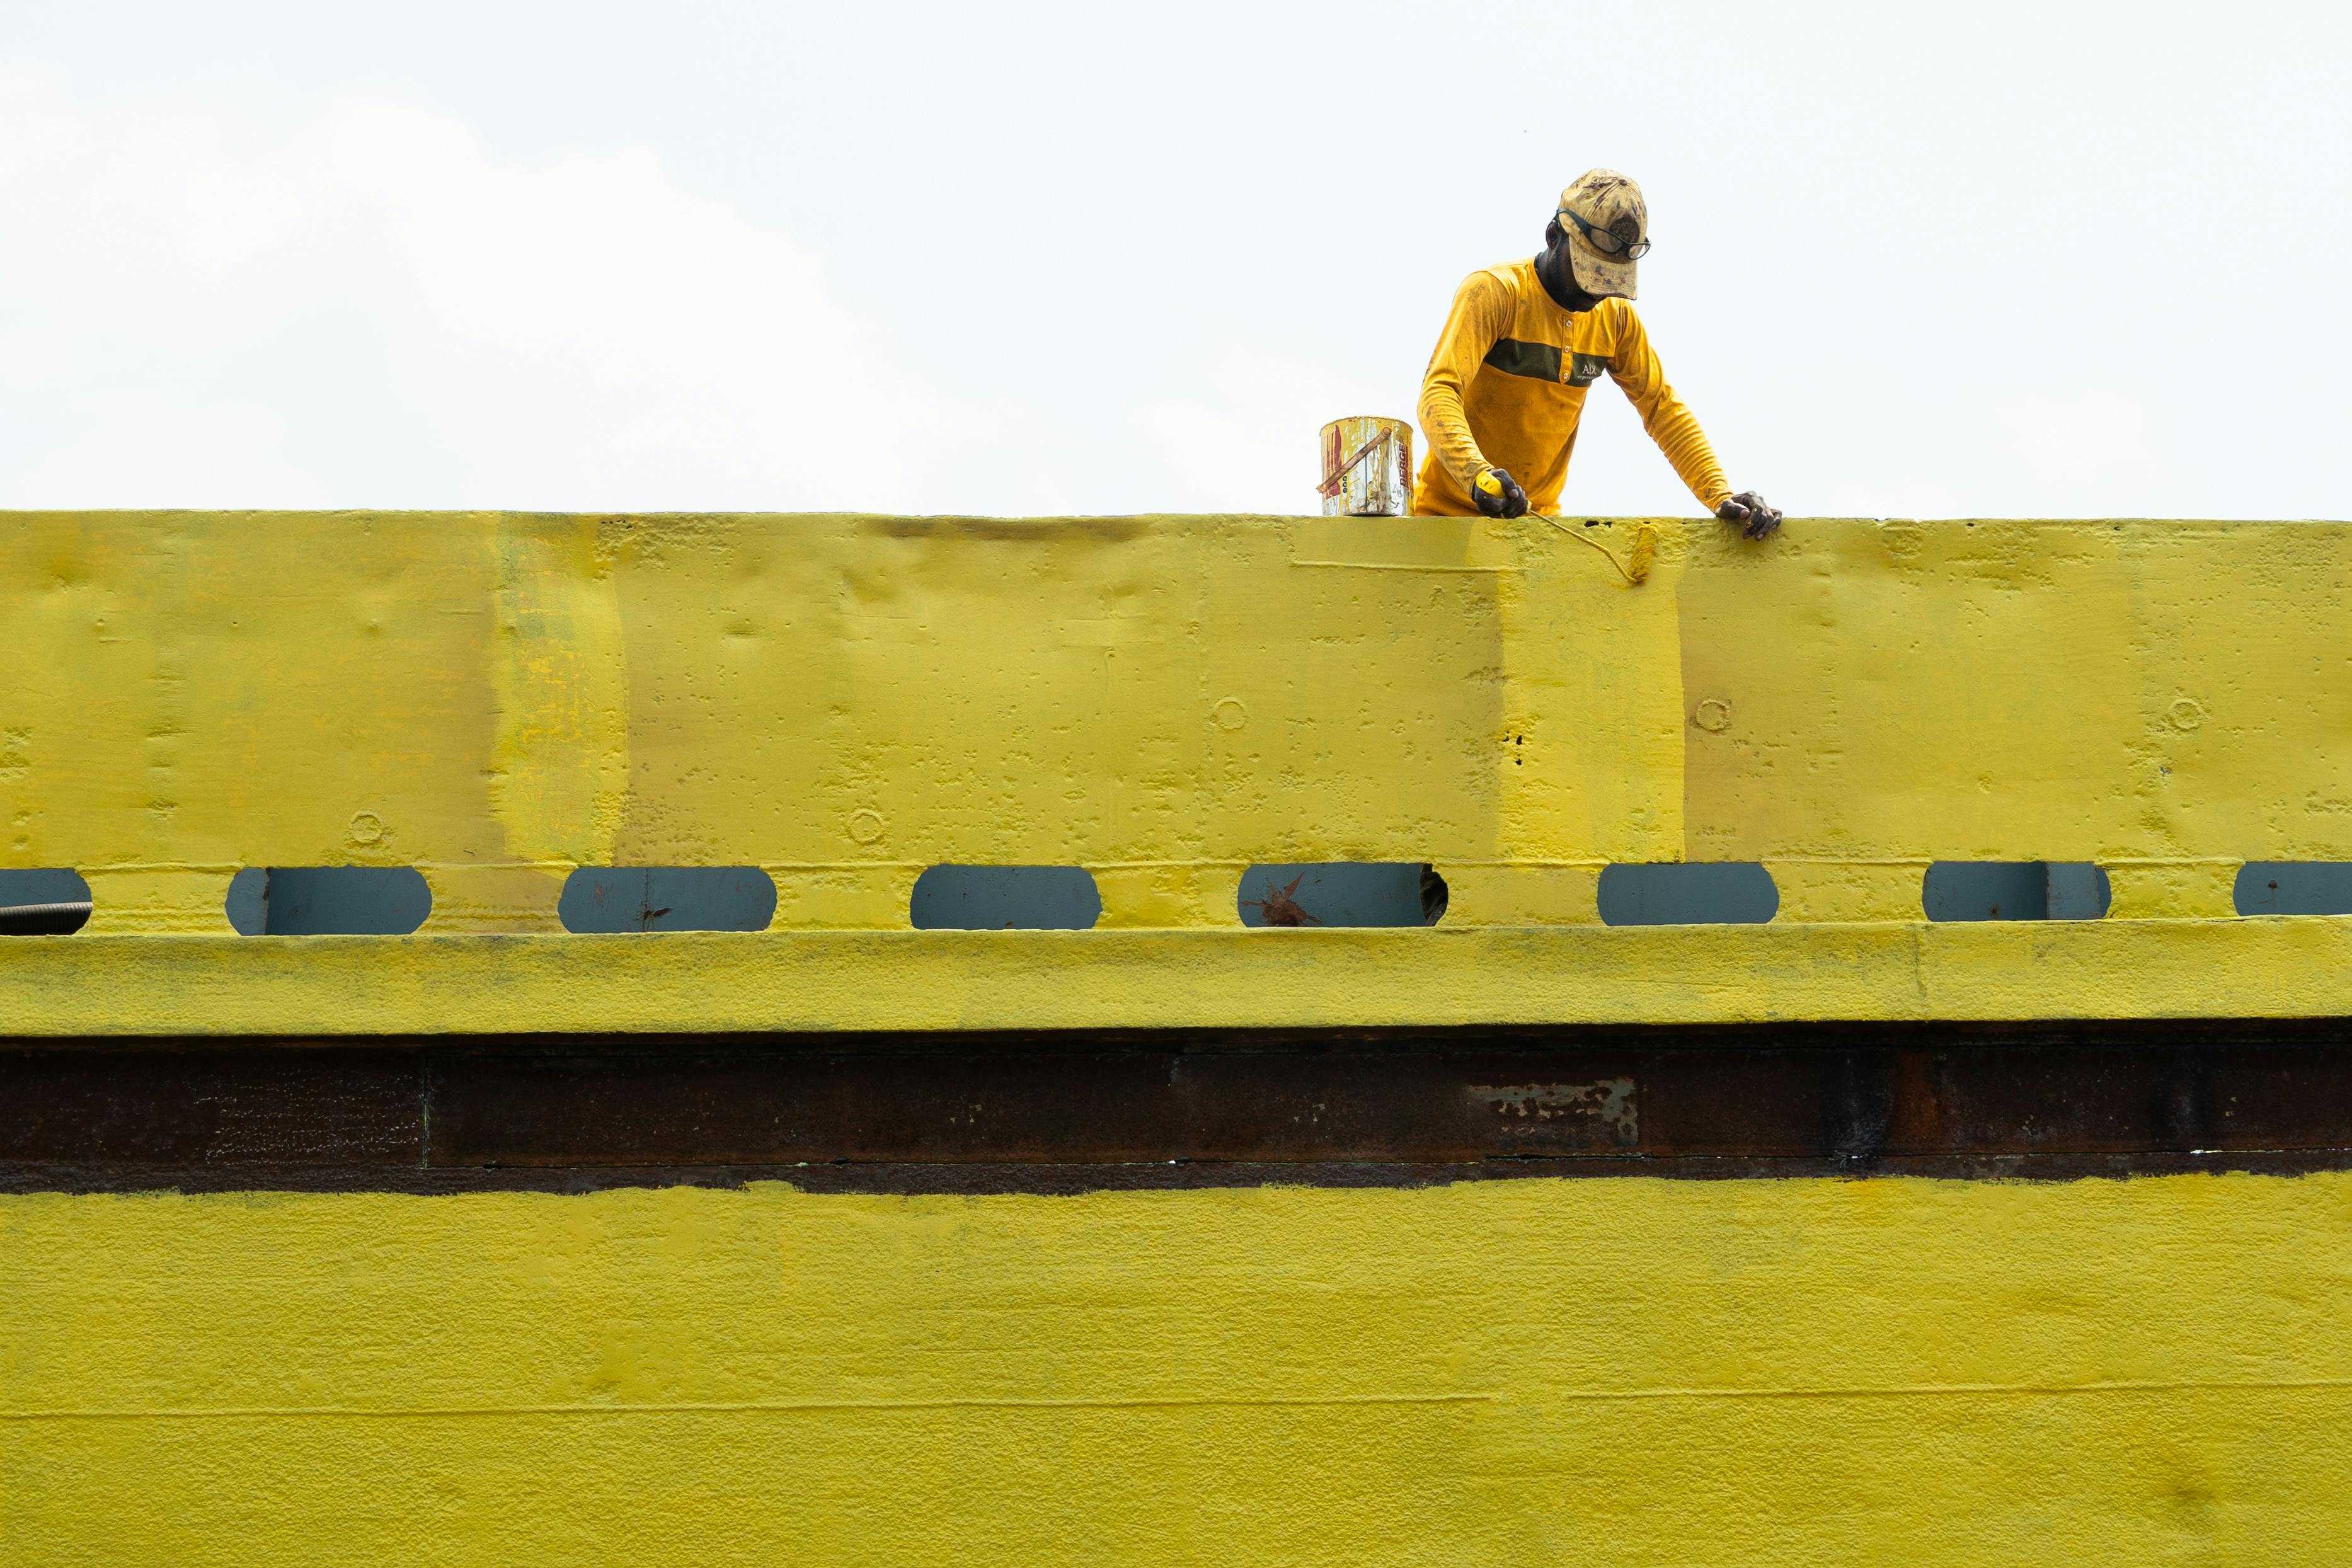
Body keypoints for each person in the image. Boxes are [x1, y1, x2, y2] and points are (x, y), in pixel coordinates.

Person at [1413, 168, 1780, 539]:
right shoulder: (1496, 293)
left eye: (1610, 280)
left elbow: (1661, 408)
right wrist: (1476, 474)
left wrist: (1720, 494)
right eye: (1589, 272)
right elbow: (1439, 391)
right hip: (1445, 520)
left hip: (1534, 529)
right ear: (1554, 236)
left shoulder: (1615, 320)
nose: (1597, 293)